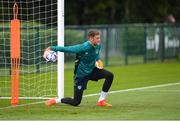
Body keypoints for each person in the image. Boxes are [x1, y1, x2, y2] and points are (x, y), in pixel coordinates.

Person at [45, 30, 114, 107]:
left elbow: (96, 55)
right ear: (91, 38)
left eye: (99, 38)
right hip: (81, 75)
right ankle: (56, 100)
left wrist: (98, 61)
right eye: (97, 38)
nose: (99, 40)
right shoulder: (84, 47)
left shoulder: (98, 45)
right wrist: (52, 48)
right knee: (76, 102)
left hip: (92, 71)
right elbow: (68, 49)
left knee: (109, 75)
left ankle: (101, 101)